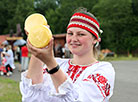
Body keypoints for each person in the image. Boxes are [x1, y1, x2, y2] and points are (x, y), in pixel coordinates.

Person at [20, 8, 115, 102]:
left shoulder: (103, 69)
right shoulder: (59, 63)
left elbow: (77, 99)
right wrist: (38, 42)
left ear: (95, 39)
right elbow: (32, 97)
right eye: (70, 33)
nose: (73, 39)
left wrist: (51, 64)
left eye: (81, 34)